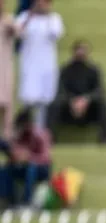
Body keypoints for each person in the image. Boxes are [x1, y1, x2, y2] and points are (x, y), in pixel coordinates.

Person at [48, 40, 106, 144]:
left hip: (89, 109)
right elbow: (61, 89)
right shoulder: (66, 70)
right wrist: (72, 101)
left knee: (103, 104)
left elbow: (99, 90)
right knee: (54, 105)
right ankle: (51, 138)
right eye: (79, 50)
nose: (81, 53)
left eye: (83, 51)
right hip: (69, 109)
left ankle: (104, 138)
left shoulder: (93, 70)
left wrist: (86, 99)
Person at [15, 0, 64, 128]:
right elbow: (18, 33)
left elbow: (56, 33)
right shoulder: (24, 16)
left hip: (46, 66)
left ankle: (40, 132)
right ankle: (25, 131)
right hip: (29, 65)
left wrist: (46, 15)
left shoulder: (54, 19)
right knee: (28, 100)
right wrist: (31, 15)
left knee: (44, 102)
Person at [1, 108, 51, 206]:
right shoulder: (20, 136)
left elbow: (46, 158)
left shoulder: (40, 134)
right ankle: (9, 201)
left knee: (31, 168)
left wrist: (29, 157)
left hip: (42, 169)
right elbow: (15, 153)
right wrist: (14, 158)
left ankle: (27, 202)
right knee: (5, 169)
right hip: (24, 167)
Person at [0, 0, 15, 137]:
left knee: (6, 103)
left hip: (4, 67)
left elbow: (17, 32)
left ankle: (7, 136)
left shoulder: (8, 20)